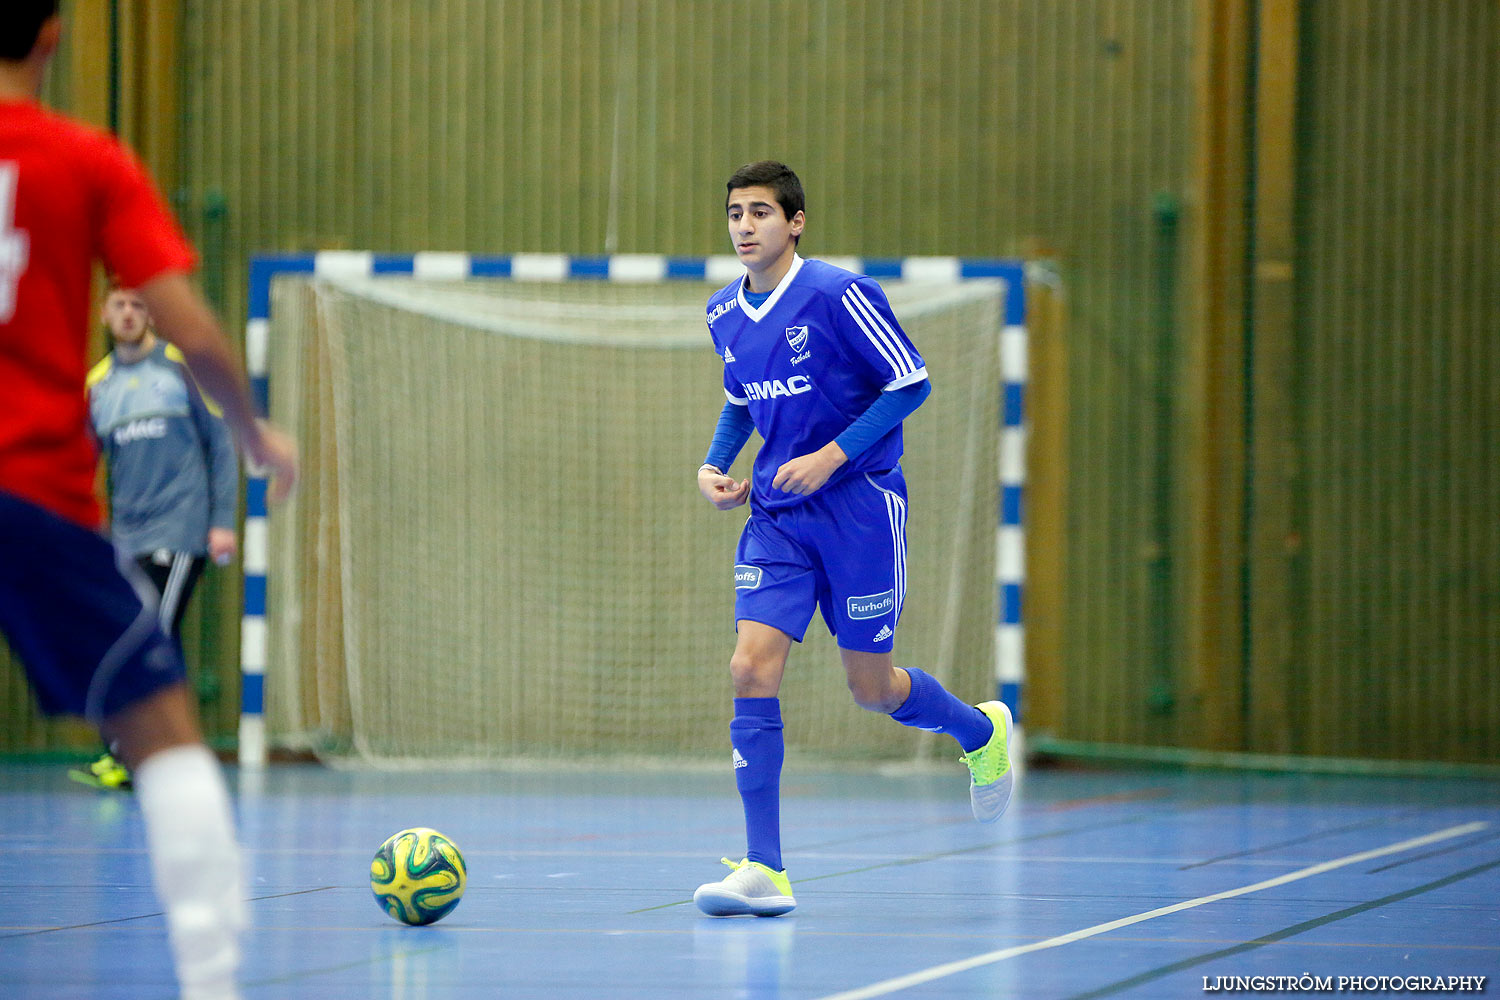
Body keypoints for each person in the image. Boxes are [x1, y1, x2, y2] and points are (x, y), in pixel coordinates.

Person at [0, 4, 297, 997]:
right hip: (30, 490)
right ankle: (210, 976)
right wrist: (254, 432)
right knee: (164, 729)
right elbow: (192, 327)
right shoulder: (82, 158)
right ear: (51, 34)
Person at [691, 161, 1013, 917]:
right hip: (776, 517)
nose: (745, 225)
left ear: (795, 221)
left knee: (871, 689)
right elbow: (742, 400)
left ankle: (976, 731)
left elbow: (910, 382)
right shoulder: (721, 315)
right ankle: (765, 869)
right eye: (735, 212)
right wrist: (715, 464)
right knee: (748, 668)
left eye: (762, 212)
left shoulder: (839, 295)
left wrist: (834, 456)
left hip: (861, 510)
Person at [69, 285, 241, 791]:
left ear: (151, 315)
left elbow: (221, 444)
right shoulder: (97, 386)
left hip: (180, 529)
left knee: (145, 637)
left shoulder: (179, 369)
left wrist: (222, 522)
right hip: (126, 536)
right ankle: (173, 757)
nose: (128, 314)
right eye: (119, 305)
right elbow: (82, 464)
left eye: (138, 305)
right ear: (105, 313)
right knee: (149, 642)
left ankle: (128, 756)